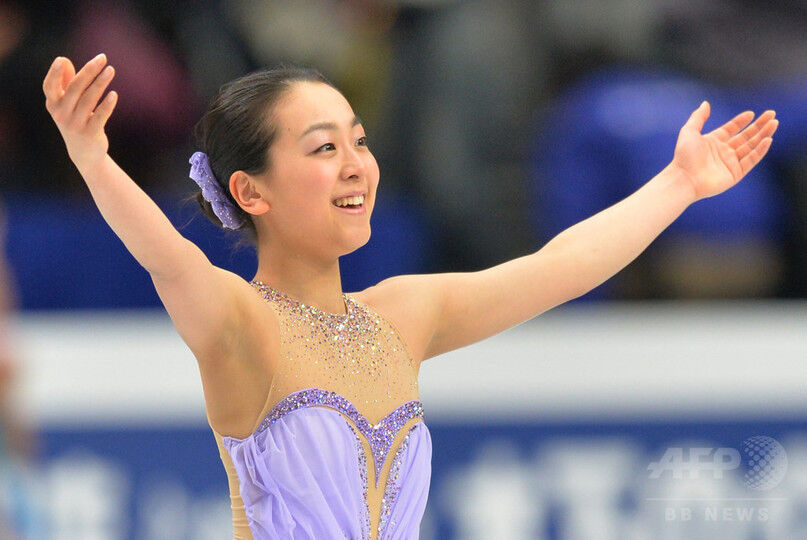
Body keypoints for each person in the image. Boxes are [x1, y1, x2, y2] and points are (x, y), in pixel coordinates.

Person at [41, 53, 777, 539]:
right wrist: (92, 158)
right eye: (324, 148)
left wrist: (678, 184)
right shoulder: (241, 324)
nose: (356, 165)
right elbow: (168, 260)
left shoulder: (400, 316)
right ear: (250, 191)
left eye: (359, 141)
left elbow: (561, 266)